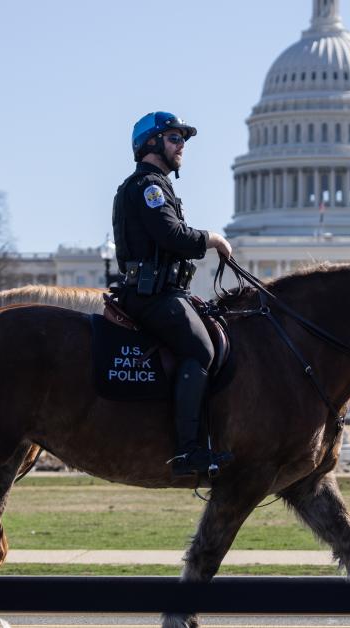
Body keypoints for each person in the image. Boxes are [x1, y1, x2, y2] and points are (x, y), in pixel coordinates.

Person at [112, 111, 234, 478]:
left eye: (183, 140)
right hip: (153, 295)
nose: (182, 147)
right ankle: (188, 451)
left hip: (162, 291)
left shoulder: (153, 185)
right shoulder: (148, 186)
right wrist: (211, 238)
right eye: (174, 139)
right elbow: (172, 236)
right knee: (201, 350)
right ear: (152, 143)